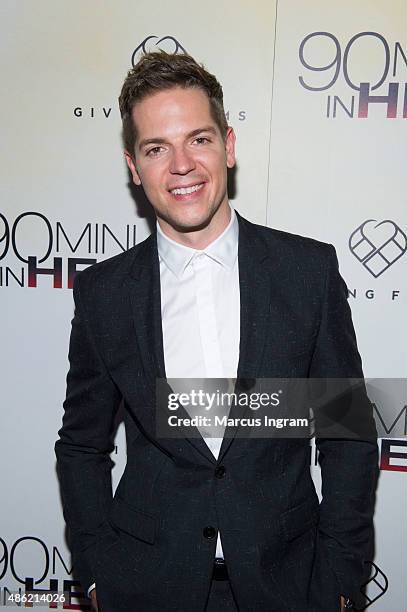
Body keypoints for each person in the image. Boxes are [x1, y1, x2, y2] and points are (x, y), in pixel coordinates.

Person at [55, 51, 378, 612]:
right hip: (147, 586)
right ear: (134, 167)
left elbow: (346, 435)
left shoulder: (307, 272)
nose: (181, 165)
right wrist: (95, 573)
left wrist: (341, 582)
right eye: (157, 148)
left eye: (198, 140)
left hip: (288, 586)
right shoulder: (105, 293)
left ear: (228, 147)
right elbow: (82, 446)